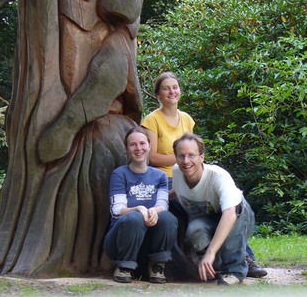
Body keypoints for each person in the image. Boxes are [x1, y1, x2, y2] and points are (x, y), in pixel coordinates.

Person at [142, 72, 267, 278]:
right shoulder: (152, 120)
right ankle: (205, 258)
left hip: (191, 177)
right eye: (166, 88)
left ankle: (244, 258)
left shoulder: (186, 119)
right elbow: (152, 157)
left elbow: (192, 147)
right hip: (168, 180)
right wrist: (184, 159)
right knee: (196, 218)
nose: (172, 91)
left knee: (225, 211)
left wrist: (188, 159)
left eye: (175, 87)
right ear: (158, 94)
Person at [171, 133, 256, 285]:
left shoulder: (218, 177)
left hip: (237, 214)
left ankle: (235, 271)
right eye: (181, 156)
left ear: (201, 157)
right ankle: (231, 261)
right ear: (176, 157)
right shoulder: (177, 171)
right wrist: (157, 202)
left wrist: (210, 252)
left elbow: (230, 214)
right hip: (208, 217)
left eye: (191, 155)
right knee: (194, 233)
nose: (186, 161)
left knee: (230, 228)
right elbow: (177, 191)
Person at [103, 127, 178, 284]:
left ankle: (157, 266)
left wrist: (153, 211)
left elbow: (163, 204)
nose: (138, 148)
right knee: (135, 218)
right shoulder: (119, 174)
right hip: (121, 242)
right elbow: (116, 210)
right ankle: (124, 267)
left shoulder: (160, 176)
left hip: (149, 242)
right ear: (127, 149)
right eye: (133, 144)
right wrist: (138, 209)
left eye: (142, 143)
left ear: (150, 146)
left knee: (167, 218)